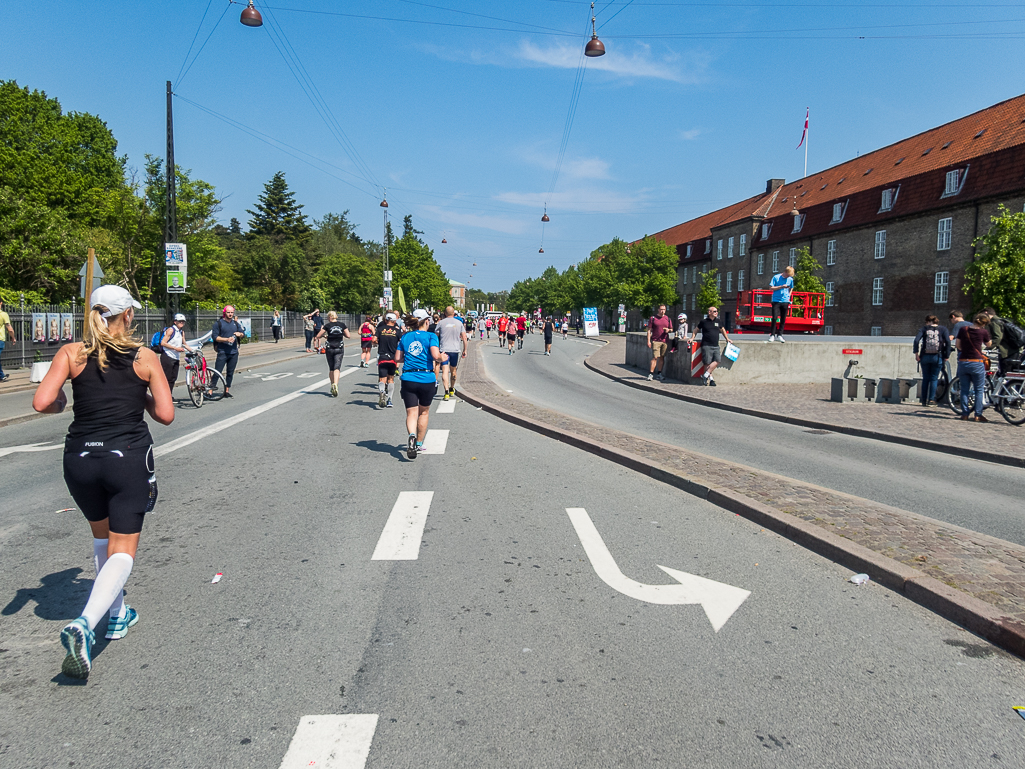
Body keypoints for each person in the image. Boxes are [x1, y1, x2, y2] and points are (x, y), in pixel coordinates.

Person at [31, 285, 174, 679]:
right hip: (125, 458)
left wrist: (65, 400)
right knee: (123, 548)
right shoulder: (144, 357)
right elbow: (165, 414)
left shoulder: (71, 353)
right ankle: (86, 623)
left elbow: (44, 402)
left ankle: (117, 615)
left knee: (101, 537)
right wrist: (139, 395)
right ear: (127, 315)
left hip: (79, 458)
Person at [396, 309, 442, 459]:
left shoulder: (405, 337)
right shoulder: (431, 336)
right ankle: (419, 443)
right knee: (424, 412)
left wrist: (409, 357)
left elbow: (398, 358)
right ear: (427, 321)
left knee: (411, 413)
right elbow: (435, 355)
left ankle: (412, 435)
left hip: (409, 377)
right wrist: (443, 357)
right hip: (426, 377)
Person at [955, 312, 993, 422]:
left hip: (963, 361)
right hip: (977, 362)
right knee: (979, 390)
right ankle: (978, 414)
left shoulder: (963, 329)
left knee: (964, 389)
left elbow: (958, 345)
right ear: (984, 323)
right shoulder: (983, 332)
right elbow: (989, 344)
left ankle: (965, 414)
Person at [688, 306, 732, 386]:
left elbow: (722, 330)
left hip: (715, 345)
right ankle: (711, 379)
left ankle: (705, 375)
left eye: (716, 311)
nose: (716, 313)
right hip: (706, 345)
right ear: (709, 312)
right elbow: (696, 330)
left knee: (717, 360)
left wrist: (727, 339)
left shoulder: (718, 321)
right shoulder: (704, 322)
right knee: (707, 362)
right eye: (714, 311)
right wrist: (692, 338)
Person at [913, 315, 950, 407]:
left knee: (925, 378)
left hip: (925, 356)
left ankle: (923, 400)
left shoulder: (924, 329)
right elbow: (948, 342)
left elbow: (916, 340)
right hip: (937, 356)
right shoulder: (943, 329)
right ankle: (931, 400)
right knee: (934, 378)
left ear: (927, 322)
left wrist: (916, 354)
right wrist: (947, 355)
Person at [314, 311, 351, 397]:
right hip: (339, 348)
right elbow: (348, 335)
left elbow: (318, 336)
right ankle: (336, 384)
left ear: (330, 317)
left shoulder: (327, 326)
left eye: (327, 317)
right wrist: (341, 334)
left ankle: (332, 385)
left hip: (330, 348)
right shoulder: (342, 325)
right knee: (337, 367)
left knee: (331, 368)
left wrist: (325, 336)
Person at [211, 305, 244, 398]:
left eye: (232, 313)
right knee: (218, 371)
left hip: (233, 352)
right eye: (228, 312)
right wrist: (226, 339)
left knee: (230, 372)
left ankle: (227, 390)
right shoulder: (219, 323)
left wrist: (239, 334)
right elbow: (215, 337)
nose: (230, 314)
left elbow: (243, 334)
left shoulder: (236, 324)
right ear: (224, 312)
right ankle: (210, 390)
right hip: (222, 352)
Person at [437, 306, 468, 401]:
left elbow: (435, 336)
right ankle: (451, 388)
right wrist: (465, 350)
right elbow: (464, 337)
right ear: (454, 313)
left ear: (445, 313)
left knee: (445, 371)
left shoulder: (441, 323)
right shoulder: (459, 323)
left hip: (444, 350)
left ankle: (446, 391)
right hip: (455, 350)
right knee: (453, 371)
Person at [983, 307, 1022, 376]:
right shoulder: (1002, 320)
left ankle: (1005, 386)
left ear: (986, 313)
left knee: (1004, 374)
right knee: (1012, 375)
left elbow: (998, 337)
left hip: (1006, 352)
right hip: (1013, 350)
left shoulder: (994, 322)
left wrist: (989, 348)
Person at [158, 313, 189, 395]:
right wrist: (176, 348)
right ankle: (163, 397)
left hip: (176, 357)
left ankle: (169, 395)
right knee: (166, 378)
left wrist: (194, 351)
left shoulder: (181, 332)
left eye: (183, 321)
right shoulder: (171, 330)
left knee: (173, 378)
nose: (182, 323)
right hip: (167, 356)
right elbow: (163, 343)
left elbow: (184, 344)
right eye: (180, 321)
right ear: (175, 322)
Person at [374, 312, 400, 408]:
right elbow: (401, 342)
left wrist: (377, 342)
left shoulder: (380, 329)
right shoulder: (397, 331)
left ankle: (382, 391)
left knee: (382, 378)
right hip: (393, 358)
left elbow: (374, 339)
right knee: (391, 379)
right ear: (394, 321)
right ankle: (389, 400)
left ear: (386, 320)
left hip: (382, 357)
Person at [646, 304, 673, 381]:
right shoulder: (653, 318)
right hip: (655, 340)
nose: (662, 311)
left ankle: (659, 373)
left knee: (662, 357)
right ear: (658, 310)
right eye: (661, 309)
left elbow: (671, 329)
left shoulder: (668, 319)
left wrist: (668, 330)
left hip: (664, 341)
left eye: (664, 309)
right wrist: (648, 341)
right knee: (655, 357)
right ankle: (651, 374)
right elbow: (649, 330)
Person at [769, 265, 795, 342]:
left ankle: (780, 334)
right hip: (776, 300)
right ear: (785, 272)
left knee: (783, 319)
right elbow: (770, 288)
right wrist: (781, 287)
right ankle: (772, 335)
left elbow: (791, 287)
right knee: (774, 317)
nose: (788, 277)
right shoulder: (776, 277)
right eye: (787, 275)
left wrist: (789, 295)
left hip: (785, 301)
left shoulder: (790, 279)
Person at [0, 299, 16, 382]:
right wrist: (13, 337)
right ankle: (1, 375)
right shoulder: (3, 314)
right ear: (1, 303)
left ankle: (1, 375)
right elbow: (9, 328)